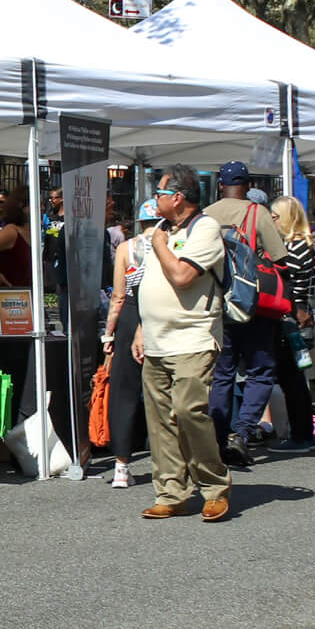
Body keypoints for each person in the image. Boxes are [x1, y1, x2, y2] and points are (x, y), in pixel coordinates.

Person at [133, 171, 231, 523]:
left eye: (158, 192)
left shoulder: (203, 229)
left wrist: (158, 243)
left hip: (192, 338)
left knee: (190, 411)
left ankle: (214, 486)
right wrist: (141, 328)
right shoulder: (164, 231)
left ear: (177, 197)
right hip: (157, 340)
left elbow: (181, 276)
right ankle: (171, 491)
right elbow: (153, 283)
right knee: (160, 422)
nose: (152, 199)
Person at [203, 162, 286, 470]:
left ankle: (218, 436)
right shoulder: (257, 213)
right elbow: (280, 257)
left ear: (220, 184)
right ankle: (243, 432)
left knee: (222, 374)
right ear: (248, 184)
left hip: (216, 305)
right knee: (260, 370)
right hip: (252, 305)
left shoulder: (207, 214)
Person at [100, 197, 157, 489]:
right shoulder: (170, 245)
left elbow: (118, 296)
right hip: (161, 313)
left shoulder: (126, 248)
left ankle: (121, 466)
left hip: (131, 314)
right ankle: (166, 460)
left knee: (123, 391)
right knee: (161, 390)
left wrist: (109, 334)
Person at [267, 195, 315, 450]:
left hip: (291, 319)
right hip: (299, 317)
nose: (271, 221)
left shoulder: (294, 248)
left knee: (292, 379)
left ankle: (302, 434)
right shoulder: (303, 245)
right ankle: (301, 431)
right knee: (294, 378)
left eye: (274, 217)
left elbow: (290, 286)